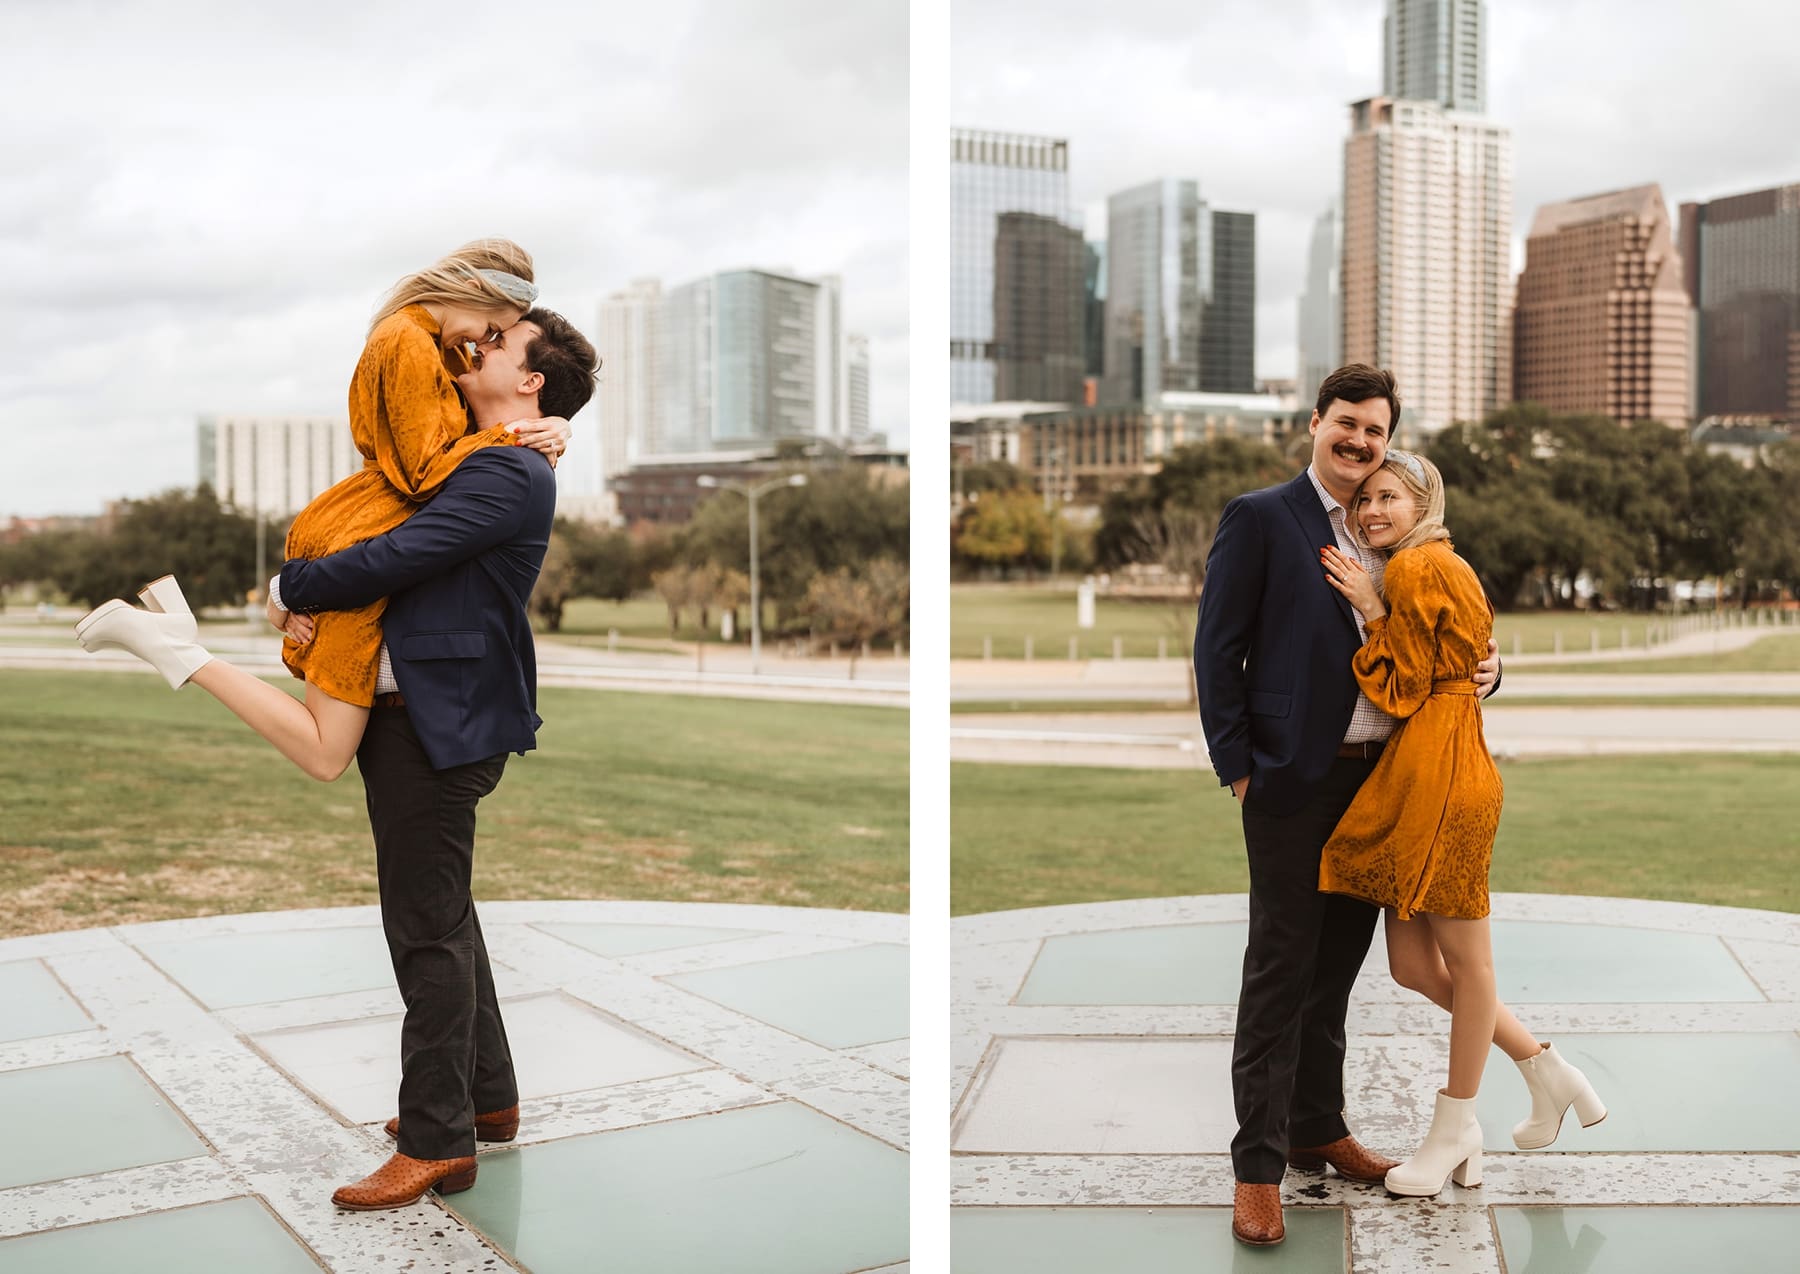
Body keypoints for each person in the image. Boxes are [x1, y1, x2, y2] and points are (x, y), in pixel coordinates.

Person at [1193, 363, 1500, 1247]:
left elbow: (1447, 638)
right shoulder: (1262, 517)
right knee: (1279, 972)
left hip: (1385, 780)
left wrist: (1492, 670)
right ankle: (1256, 1169)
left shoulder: (1395, 530)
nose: (1360, 443)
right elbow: (1219, 651)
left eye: (1376, 432)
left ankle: (1315, 1127)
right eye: (1348, 425)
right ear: (1316, 422)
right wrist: (1239, 768)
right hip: (1293, 780)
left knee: (1337, 970)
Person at [72, 239, 570, 777]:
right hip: (363, 528)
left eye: (499, 338)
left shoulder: (432, 350)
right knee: (325, 751)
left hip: (366, 525)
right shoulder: (408, 341)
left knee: (326, 751)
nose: (484, 343)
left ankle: (177, 649)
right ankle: (179, 652)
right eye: (494, 327)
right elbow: (425, 472)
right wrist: (507, 435)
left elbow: (480, 437)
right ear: (476, 291)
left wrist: (556, 425)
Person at [1318, 452, 1606, 1199]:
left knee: (1470, 966)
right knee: (1414, 967)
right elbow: (1463, 657)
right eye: (1365, 499)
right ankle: (1549, 1071)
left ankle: (1455, 1127)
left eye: (1390, 497)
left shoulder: (1413, 570)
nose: (1373, 510)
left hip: (1445, 773)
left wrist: (1373, 614)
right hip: (1435, 766)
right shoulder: (1433, 562)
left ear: (1423, 503)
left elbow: (1407, 685)